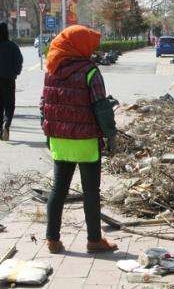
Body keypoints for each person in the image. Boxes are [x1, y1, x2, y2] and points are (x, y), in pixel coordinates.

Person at [41, 25, 118, 254]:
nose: (93, 51)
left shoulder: (51, 69)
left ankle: (52, 240)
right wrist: (110, 134)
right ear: (80, 46)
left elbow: (43, 106)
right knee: (91, 191)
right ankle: (94, 240)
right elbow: (101, 107)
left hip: (60, 140)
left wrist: (48, 133)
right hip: (85, 142)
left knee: (58, 190)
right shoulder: (90, 71)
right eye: (90, 46)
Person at [0, 22, 23, 141]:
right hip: (8, 80)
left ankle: (0, 131)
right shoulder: (12, 46)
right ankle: (6, 125)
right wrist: (15, 73)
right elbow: (19, 61)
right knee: (9, 105)